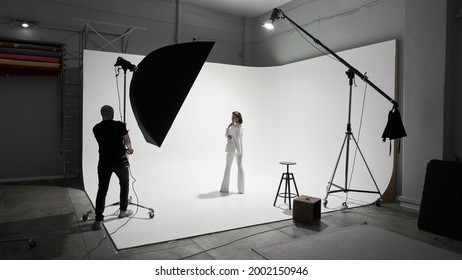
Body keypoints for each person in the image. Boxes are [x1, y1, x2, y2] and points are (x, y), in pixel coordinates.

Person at [92, 105, 134, 230]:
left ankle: (98, 220)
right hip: (119, 161)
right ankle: (122, 211)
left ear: (102, 114)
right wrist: (129, 148)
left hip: (104, 162)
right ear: (112, 113)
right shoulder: (119, 125)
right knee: (124, 183)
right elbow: (127, 140)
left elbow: (107, 141)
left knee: (102, 190)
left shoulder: (96, 128)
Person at [220, 111, 245, 194]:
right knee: (240, 167)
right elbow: (228, 136)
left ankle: (224, 189)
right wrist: (228, 127)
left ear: (238, 118)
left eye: (234, 117)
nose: (232, 118)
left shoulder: (235, 127)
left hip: (232, 149)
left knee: (228, 167)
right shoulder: (240, 127)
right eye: (232, 116)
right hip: (239, 149)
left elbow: (229, 136)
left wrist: (229, 134)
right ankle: (241, 190)